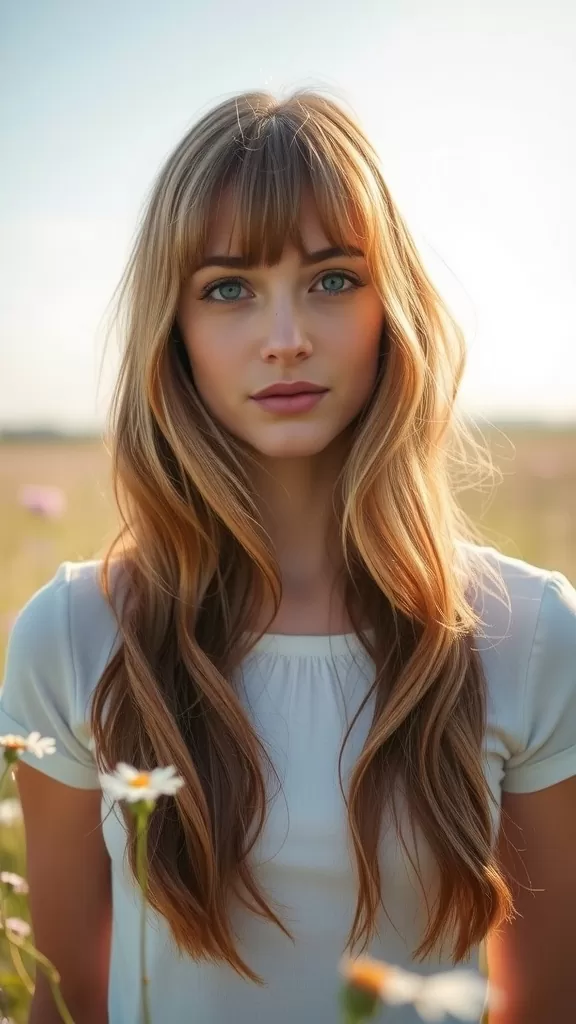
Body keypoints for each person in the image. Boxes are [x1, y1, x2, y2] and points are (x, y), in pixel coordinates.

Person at [1, 90, 575, 1024]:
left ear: (393, 307)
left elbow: (547, 1003)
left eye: (333, 279)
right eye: (228, 288)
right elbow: (66, 1004)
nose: (286, 338)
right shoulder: (74, 633)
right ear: (174, 329)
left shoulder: (529, 631)